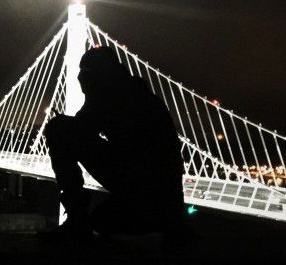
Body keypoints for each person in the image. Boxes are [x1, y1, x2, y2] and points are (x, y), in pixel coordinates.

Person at [42, 46, 187, 241]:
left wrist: (64, 124)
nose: (78, 78)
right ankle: (165, 221)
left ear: (99, 74)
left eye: (84, 72)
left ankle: (77, 220)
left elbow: (75, 132)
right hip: (165, 200)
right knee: (102, 220)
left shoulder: (111, 94)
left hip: (148, 193)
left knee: (57, 129)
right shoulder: (132, 90)